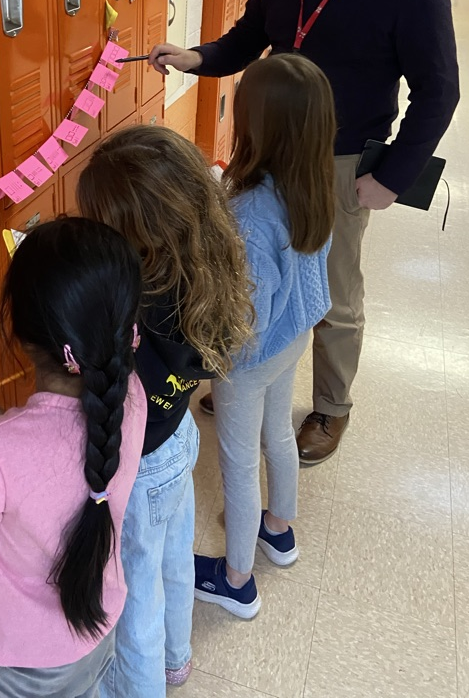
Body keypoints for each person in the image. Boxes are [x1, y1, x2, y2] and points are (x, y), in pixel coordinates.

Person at [148, 0, 460, 464]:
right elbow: (247, 39)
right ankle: (247, 373)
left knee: (333, 291)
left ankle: (330, 407)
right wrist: (196, 58)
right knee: (247, 266)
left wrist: (393, 177)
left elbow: (439, 91)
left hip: (341, 161)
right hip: (264, 149)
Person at [0, 217, 147, 698]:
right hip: (98, 626)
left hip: (22, 662)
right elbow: (56, 468)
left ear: (21, 336)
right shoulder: (133, 398)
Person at [76, 125, 251, 696]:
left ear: (138, 237)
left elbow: (101, 380)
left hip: (142, 464)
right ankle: (177, 661)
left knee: (135, 595)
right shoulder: (199, 271)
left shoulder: (137, 306)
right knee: (175, 561)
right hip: (178, 442)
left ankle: (144, 684)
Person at [194, 54, 335, 618]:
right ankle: (279, 528)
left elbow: (242, 317)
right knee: (278, 432)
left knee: (236, 460)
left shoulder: (253, 214)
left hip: (251, 357)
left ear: (260, 124)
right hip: (293, 338)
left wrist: (212, 361)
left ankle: (237, 580)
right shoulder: (311, 181)